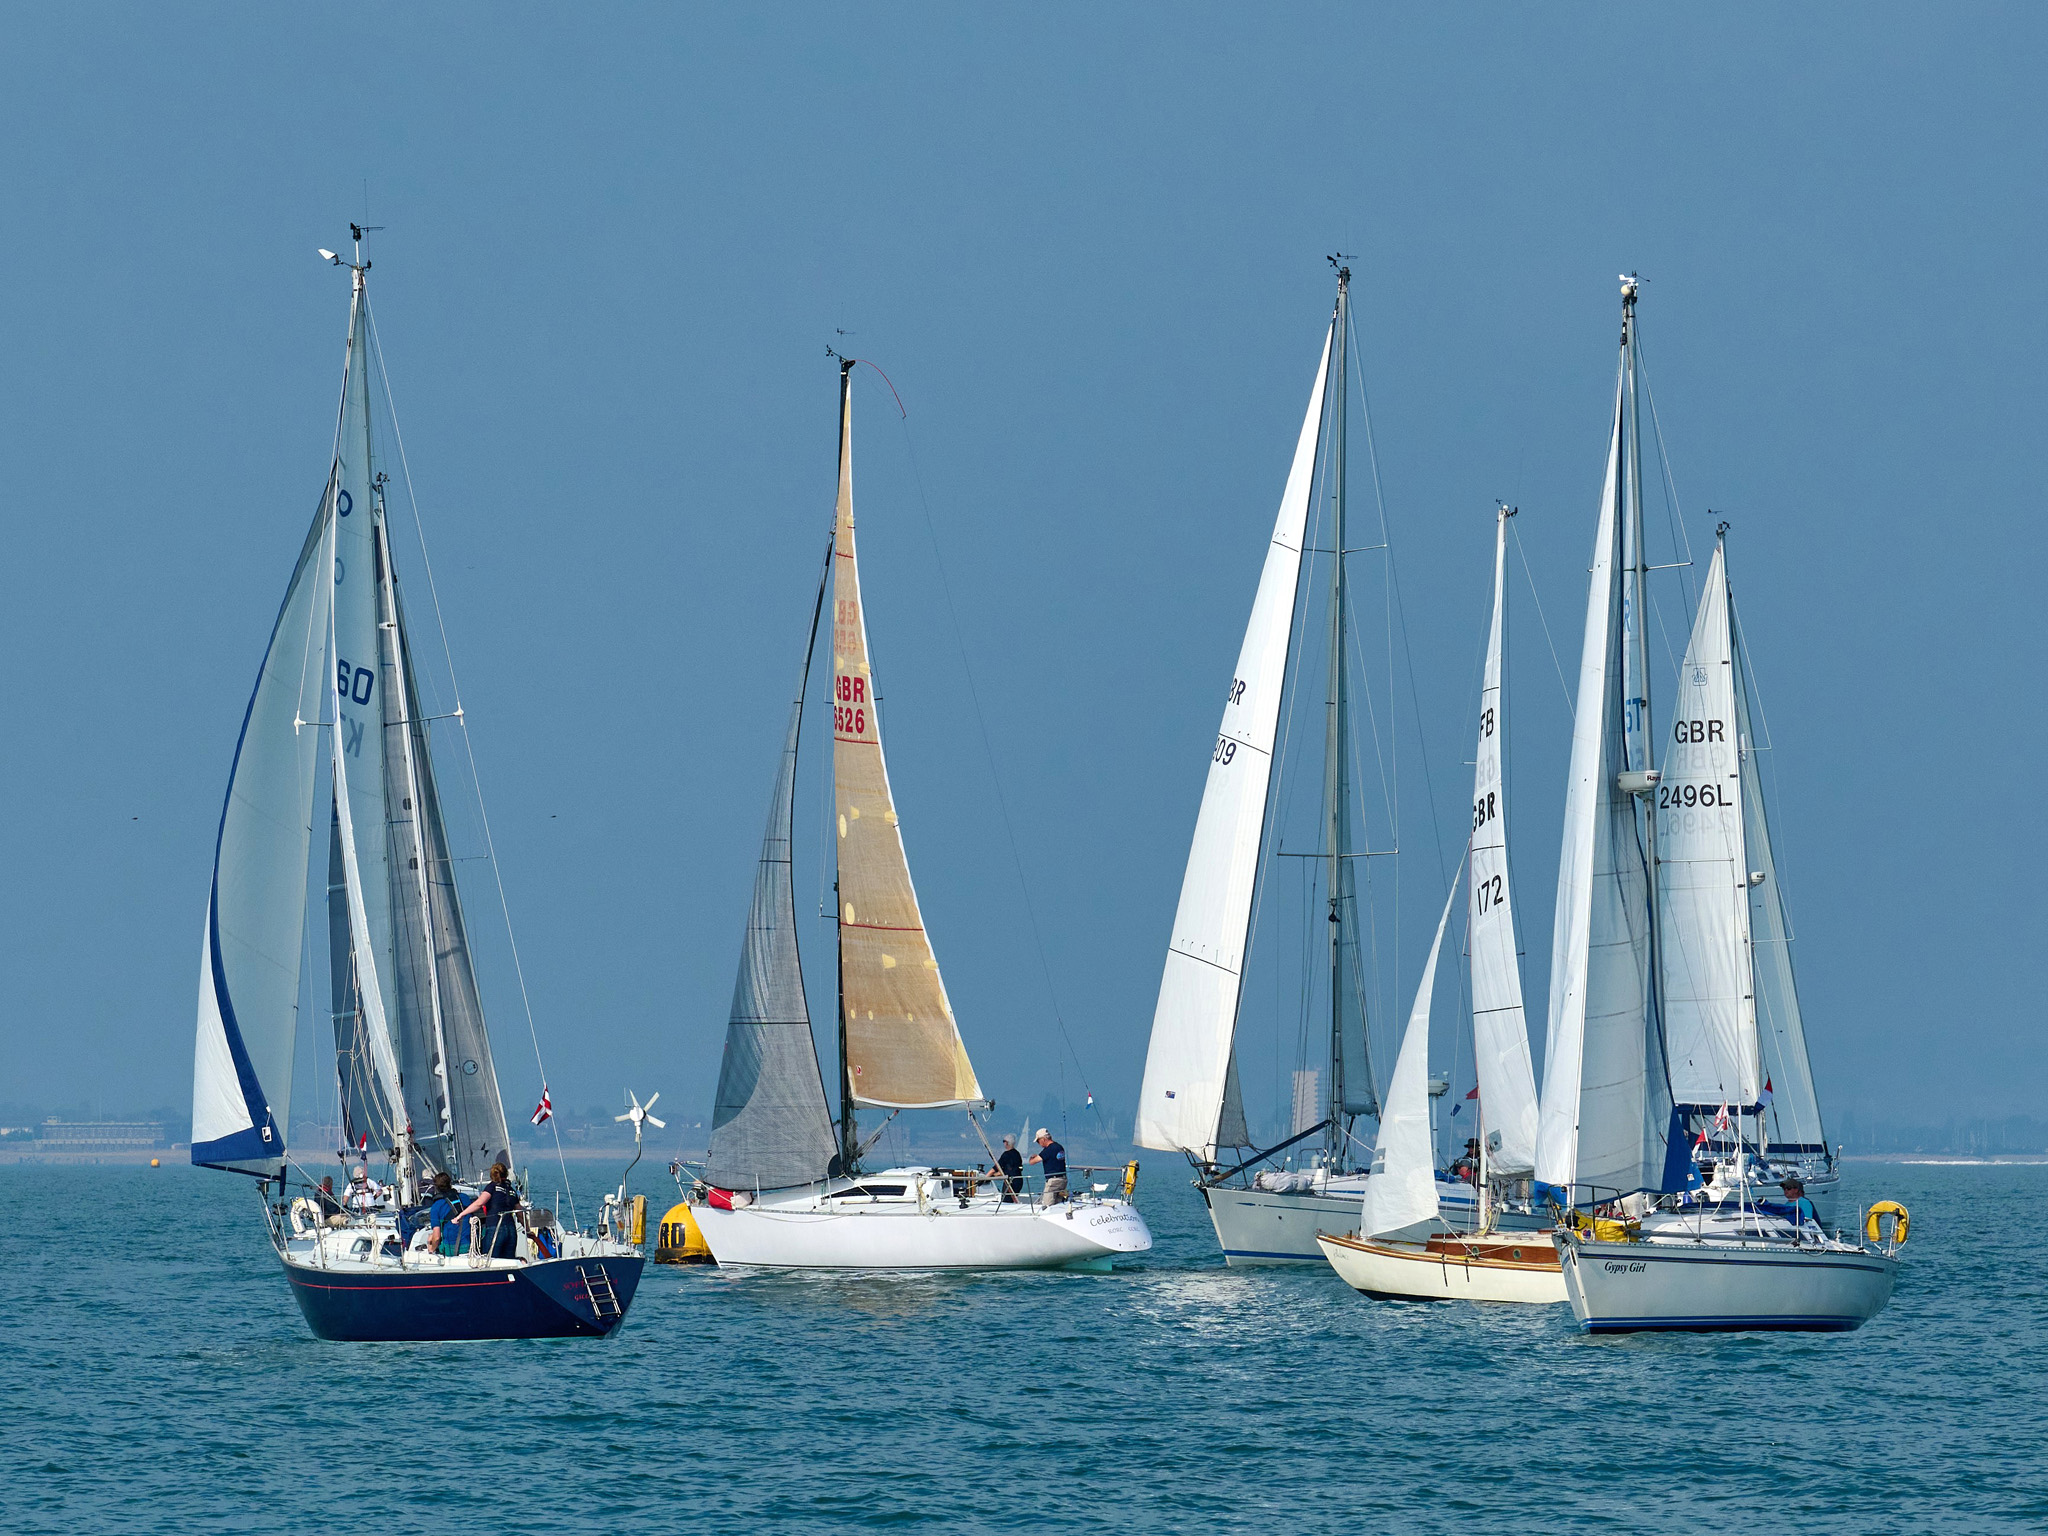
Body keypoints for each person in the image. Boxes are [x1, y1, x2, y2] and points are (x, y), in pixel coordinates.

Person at [452, 1161, 523, 1258]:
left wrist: (460, 1215)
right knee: (509, 1260)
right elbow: (519, 1213)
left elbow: (479, 1203)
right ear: (506, 1174)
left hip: (495, 1228)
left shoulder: (492, 1187)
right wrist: (527, 1229)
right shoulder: (511, 1190)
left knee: (490, 1259)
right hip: (511, 1230)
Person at [1027, 1128, 1067, 1206]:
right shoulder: (1059, 1147)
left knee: (1047, 1205)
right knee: (1059, 1204)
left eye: (1038, 1141)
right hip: (1063, 1180)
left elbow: (1032, 1162)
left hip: (1053, 1182)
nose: (1039, 1144)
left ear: (1043, 1139)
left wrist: (1032, 1157)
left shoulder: (1048, 1150)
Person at [996, 1135, 1025, 1203]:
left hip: (1010, 1182)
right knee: (1011, 1200)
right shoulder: (1017, 1154)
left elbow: (996, 1168)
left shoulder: (1006, 1155)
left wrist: (986, 1177)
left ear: (1006, 1143)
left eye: (1004, 1141)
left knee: (1006, 1201)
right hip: (1018, 1181)